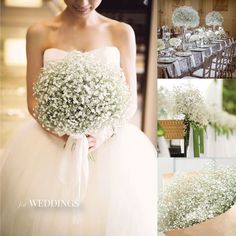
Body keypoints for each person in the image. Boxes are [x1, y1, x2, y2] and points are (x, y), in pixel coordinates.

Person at [1, 1, 157, 235]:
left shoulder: (122, 32)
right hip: (51, 142)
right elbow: (33, 102)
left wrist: (102, 135)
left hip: (109, 145)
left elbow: (130, 100)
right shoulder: (38, 32)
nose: (83, 3)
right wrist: (61, 131)